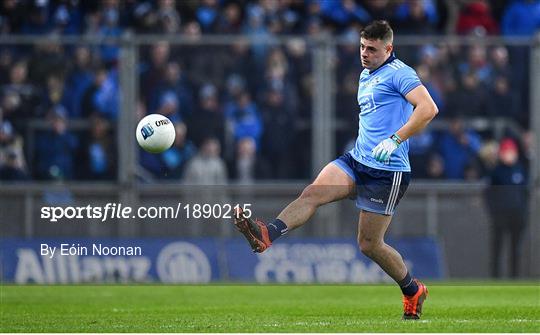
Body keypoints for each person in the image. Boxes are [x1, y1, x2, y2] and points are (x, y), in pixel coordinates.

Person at [232, 20, 438, 320]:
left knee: (369, 245)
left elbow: (428, 109)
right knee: (312, 193)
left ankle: (412, 289)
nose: (364, 54)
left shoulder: (400, 74)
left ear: (388, 49)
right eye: (362, 47)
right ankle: (267, 234)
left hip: (387, 171)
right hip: (358, 161)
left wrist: (396, 139)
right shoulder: (366, 74)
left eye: (371, 49)